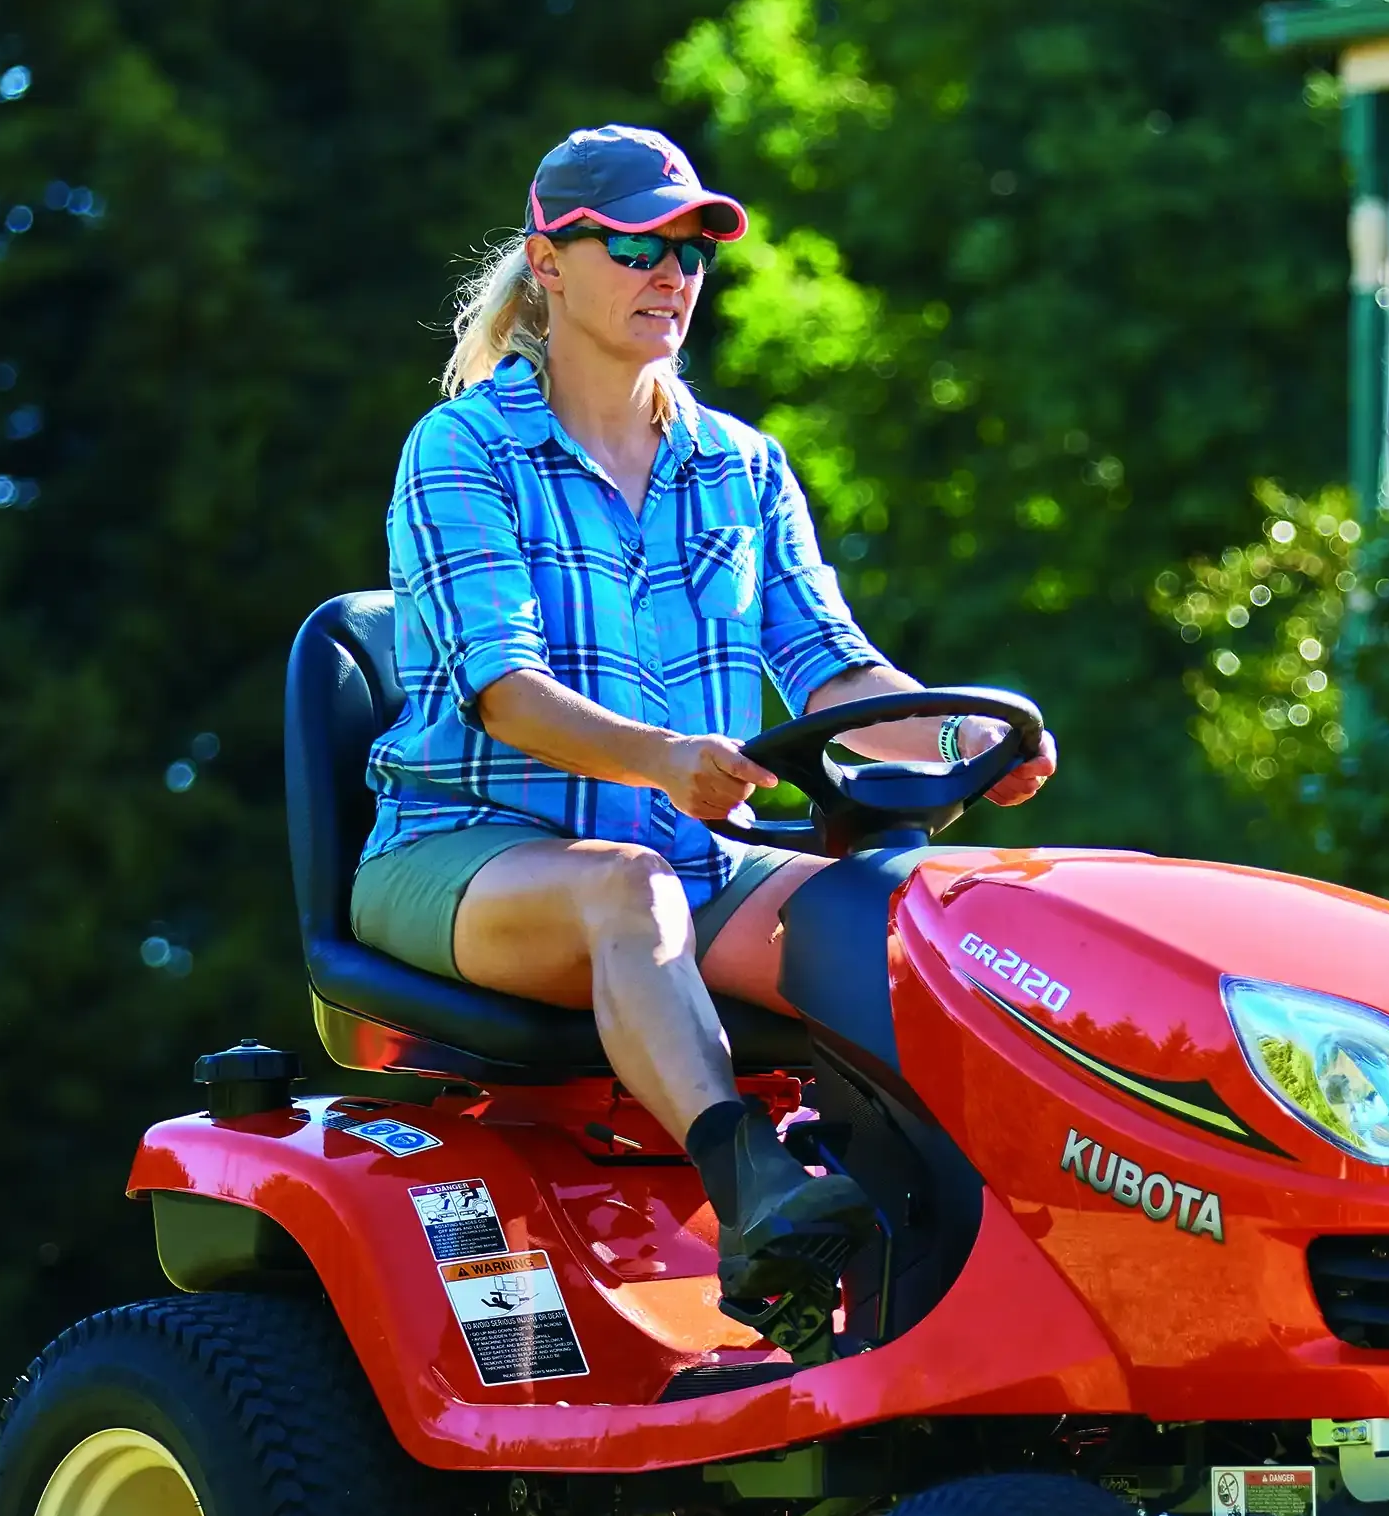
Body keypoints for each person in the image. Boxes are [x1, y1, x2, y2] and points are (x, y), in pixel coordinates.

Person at [354, 123, 1054, 1357]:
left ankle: (950, 1261)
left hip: (689, 855)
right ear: (550, 264)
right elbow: (505, 693)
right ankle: (758, 1203)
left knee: (908, 918)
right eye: (635, 245)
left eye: (690, 250)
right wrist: (668, 762)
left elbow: (831, 667)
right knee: (629, 896)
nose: (670, 273)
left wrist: (960, 731)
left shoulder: (739, 465)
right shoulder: (462, 451)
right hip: (468, 848)